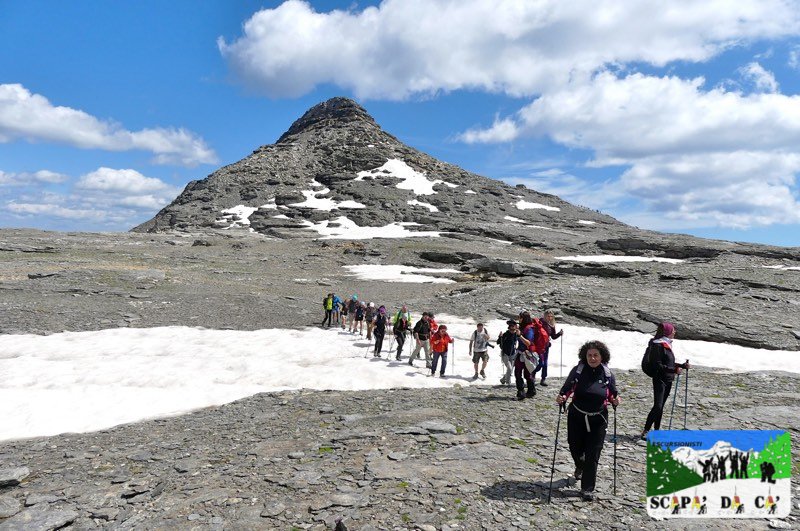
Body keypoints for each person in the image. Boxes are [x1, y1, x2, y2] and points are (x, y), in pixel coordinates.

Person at [556, 340, 620, 501]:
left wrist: (616, 400)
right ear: (585, 356)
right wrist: (562, 397)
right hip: (577, 416)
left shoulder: (607, 374)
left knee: (593, 453)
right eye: (589, 355)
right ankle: (580, 465)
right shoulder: (578, 371)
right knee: (575, 446)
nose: (592, 358)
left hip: (598, 418)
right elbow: (567, 389)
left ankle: (587, 489)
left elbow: (612, 393)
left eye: (595, 355)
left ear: (602, 356)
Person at [641, 322, 689, 439]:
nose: (674, 332)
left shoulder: (666, 344)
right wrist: (674, 370)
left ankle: (656, 431)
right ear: (668, 332)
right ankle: (646, 431)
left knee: (660, 406)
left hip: (668, 379)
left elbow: (668, 363)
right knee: (658, 406)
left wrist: (681, 366)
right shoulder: (658, 345)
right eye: (673, 330)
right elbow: (657, 365)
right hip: (660, 379)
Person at [514, 312, 536, 400]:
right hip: (521, 353)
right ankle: (526, 391)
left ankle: (526, 391)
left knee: (523, 373)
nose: (518, 319)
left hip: (526, 354)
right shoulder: (523, 328)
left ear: (523, 318)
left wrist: (520, 335)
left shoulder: (529, 329)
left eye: (520, 317)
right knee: (520, 373)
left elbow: (528, 343)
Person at [538, 309, 563, 386]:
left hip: (546, 346)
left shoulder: (551, 326)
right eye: (548, 316)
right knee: (540, 363)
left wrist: (559, 333)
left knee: (544, 363)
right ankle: (532, 375)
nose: (550, 318)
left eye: (551, 316)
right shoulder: (540, 323)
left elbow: (553, 336)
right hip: (538, 346)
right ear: (545, 316)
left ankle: (543, 378)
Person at [497, 320, 519, 386]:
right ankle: (508, 383)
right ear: (509, 329)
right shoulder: (505, 334)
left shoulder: (515, 334)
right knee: (509, 368)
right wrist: (500, 337)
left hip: (512, 354)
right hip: (505, 354)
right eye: (511, 329)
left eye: (514, 329)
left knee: (510, 369)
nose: (513, 331)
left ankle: (503, 379)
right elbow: (498, 342)